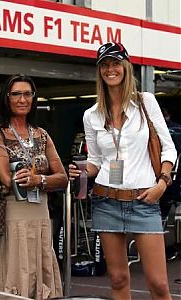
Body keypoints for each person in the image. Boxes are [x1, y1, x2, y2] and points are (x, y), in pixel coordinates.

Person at [69, 42, 177, 300]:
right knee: (117, 279)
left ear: (126, 67)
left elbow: (168, 149)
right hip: (105, 200)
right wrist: (80, 170)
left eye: (115, 63)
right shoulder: (91, 115)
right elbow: (95, 161)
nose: (110, 69)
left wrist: (162, 184)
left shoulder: (145, 102)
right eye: (105, 65)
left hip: (144, 200)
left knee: (159, 284)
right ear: (99, 72)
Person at [0, 73, 68, 299]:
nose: (22, 99)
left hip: (41, 215)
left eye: (28, 94)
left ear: (34, 98)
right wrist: (40, 180)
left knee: (40, 272)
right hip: (13, 215)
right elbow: (7, 179)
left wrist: (39, 180)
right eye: (16, 94)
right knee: (15, 273)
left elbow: (62, 177)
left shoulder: (42, 135)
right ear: (6, 98)